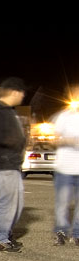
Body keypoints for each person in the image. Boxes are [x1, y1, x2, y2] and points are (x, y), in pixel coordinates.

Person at [0, 77, 26, 252]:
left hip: (12, 163)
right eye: (22, 94)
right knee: (5, 203)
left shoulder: (7, 111)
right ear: (14, 92)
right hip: (3, 163)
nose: (22, 97)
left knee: (16, 205)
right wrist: (17, 141)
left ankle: (5, 235)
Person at [50, 84, 79, 246]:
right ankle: (60, 232)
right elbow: (53, 140)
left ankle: (77, 234)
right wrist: (68, 140)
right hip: (65, 168)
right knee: (63, 202)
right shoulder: (63, 117)